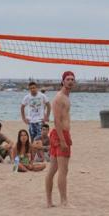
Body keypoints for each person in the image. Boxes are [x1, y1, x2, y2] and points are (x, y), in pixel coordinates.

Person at [45, 71, 75, 208]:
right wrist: (63, 140)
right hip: (60, 134)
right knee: (62, 170)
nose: (70, 81)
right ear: (62, 81)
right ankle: (63, 201)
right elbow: (56, 120)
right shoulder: (59, 98)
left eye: (72, 79)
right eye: (68, 79)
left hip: (60, 134)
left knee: (54, 169)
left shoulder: (66, 97)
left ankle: (50, 202)